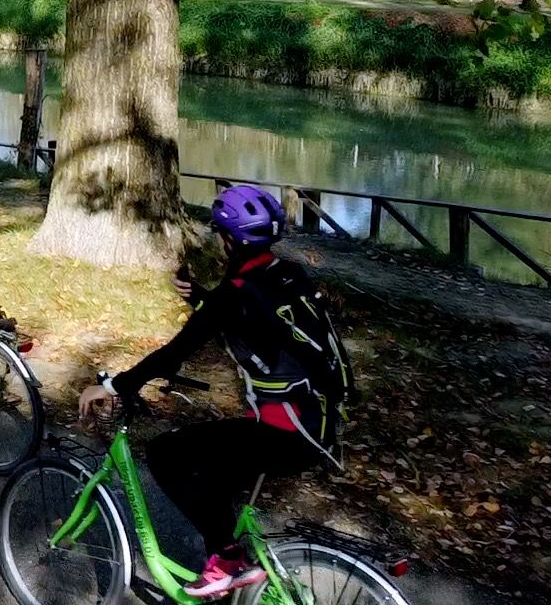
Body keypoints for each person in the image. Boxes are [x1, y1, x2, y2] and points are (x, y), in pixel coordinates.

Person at [78, 184, 352, 600]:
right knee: (216, 470)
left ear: (230, 240)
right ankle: (224, 570)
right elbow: (260, 325)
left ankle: (226, 561)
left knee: (166, 454)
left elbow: (175, 353)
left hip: (288, 431)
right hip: (320, 419)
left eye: (219, 235)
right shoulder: (285, 273)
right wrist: (203, 301)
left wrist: (113, 385)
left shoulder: (233, 295)